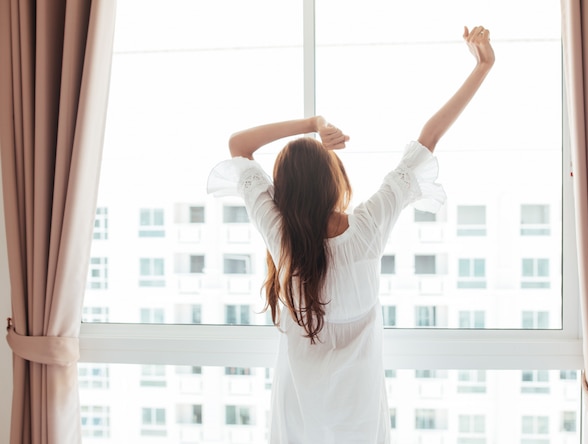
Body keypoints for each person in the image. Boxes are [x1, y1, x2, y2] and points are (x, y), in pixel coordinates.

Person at [207, 25, 495, 444]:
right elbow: (427, 140)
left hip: (298, 419)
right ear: (333, 177)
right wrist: (483, 66)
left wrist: (312, 123)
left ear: (283, 190)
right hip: (359, 422)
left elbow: (238, 145)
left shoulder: (281, 237)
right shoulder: (366, 229)